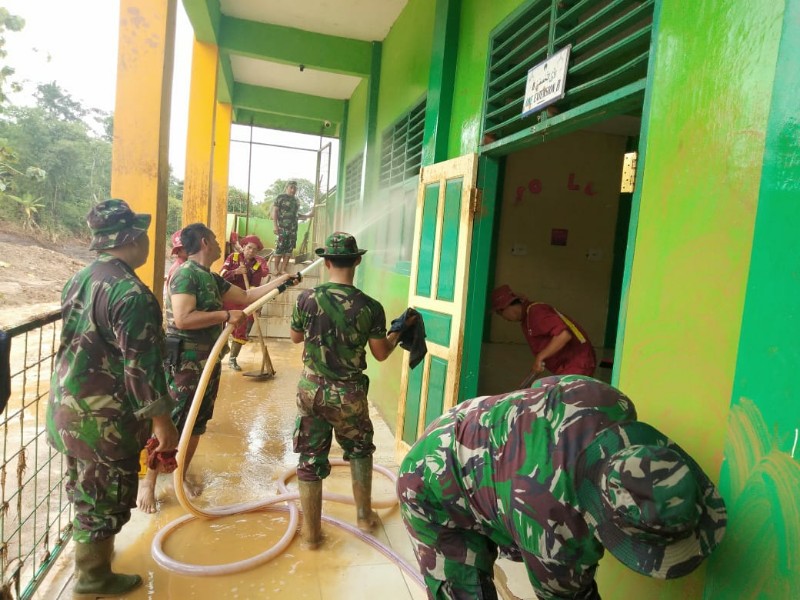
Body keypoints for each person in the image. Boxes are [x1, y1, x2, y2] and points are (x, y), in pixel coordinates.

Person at [397, 375, 727, 600]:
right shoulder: (555, 537)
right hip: (430, 484)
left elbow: (545, 387)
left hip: (471, 423)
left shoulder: (612, 402)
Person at [46, 199, 180, 597]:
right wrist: (163, 422)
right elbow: (142, 369)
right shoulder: (131, 294)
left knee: (86, 490)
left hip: (68, 409)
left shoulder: (81, 278)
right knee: (105, 502)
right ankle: (91, 578)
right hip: (103, 421)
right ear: (135, 239)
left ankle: (93, 563)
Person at [137, 223, 295, 511]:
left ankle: (179, 475)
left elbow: (247, 297)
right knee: (173, 420)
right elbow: (183, 319)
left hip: (208, 361)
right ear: (205, 241)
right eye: (215, 238)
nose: (222, 243)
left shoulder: (209, 277)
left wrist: (283, 281)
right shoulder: (186, 274)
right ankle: (148, 483)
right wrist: (225, 314)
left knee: (197, 423)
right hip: (186, 361)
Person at [289, 232, 404, 549]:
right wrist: (396, 333)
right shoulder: (370, 307)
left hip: (311, 390)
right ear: (357, 260)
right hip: (349, 394)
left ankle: (311, 535)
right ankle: (365, 516)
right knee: (360, 450)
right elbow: (381, 353)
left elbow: (296, 337)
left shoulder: (306, 299)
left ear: (326, 262)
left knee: (310, 459)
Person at [491, 284, 596, 378]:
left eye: (500, 313)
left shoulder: (536, 312)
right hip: (568, 365)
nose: (504, 318)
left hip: (577, 363)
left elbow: (564, 335)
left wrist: (540, 356)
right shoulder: (526, 318)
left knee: (568, 398)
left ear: (507, 306)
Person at [219, 234, 270, 371]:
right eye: (249, 248)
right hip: (226, 297)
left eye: (254, 250)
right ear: (243, 247)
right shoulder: (233, 258)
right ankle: (219, 352)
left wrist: (253, 303)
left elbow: (254, 286)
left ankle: (233, 359)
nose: (251, 251)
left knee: (240, 329)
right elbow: (221, 276)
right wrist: (235, 272)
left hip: (242, 300)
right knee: (219, 327)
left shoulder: (257, 266)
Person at [271, 180, 313, 275]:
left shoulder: (296, 201)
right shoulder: (280, 198)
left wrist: (309, 215)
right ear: (287, 188)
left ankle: (283, 269)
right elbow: (275, 212)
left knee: (289, 250)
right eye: (291, 188)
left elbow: (296, 215)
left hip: (293, 230)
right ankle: (275, 269)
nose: (293, 190)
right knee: (279, 248)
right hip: (282, 228)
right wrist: (275, 226)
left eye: (295, 188)